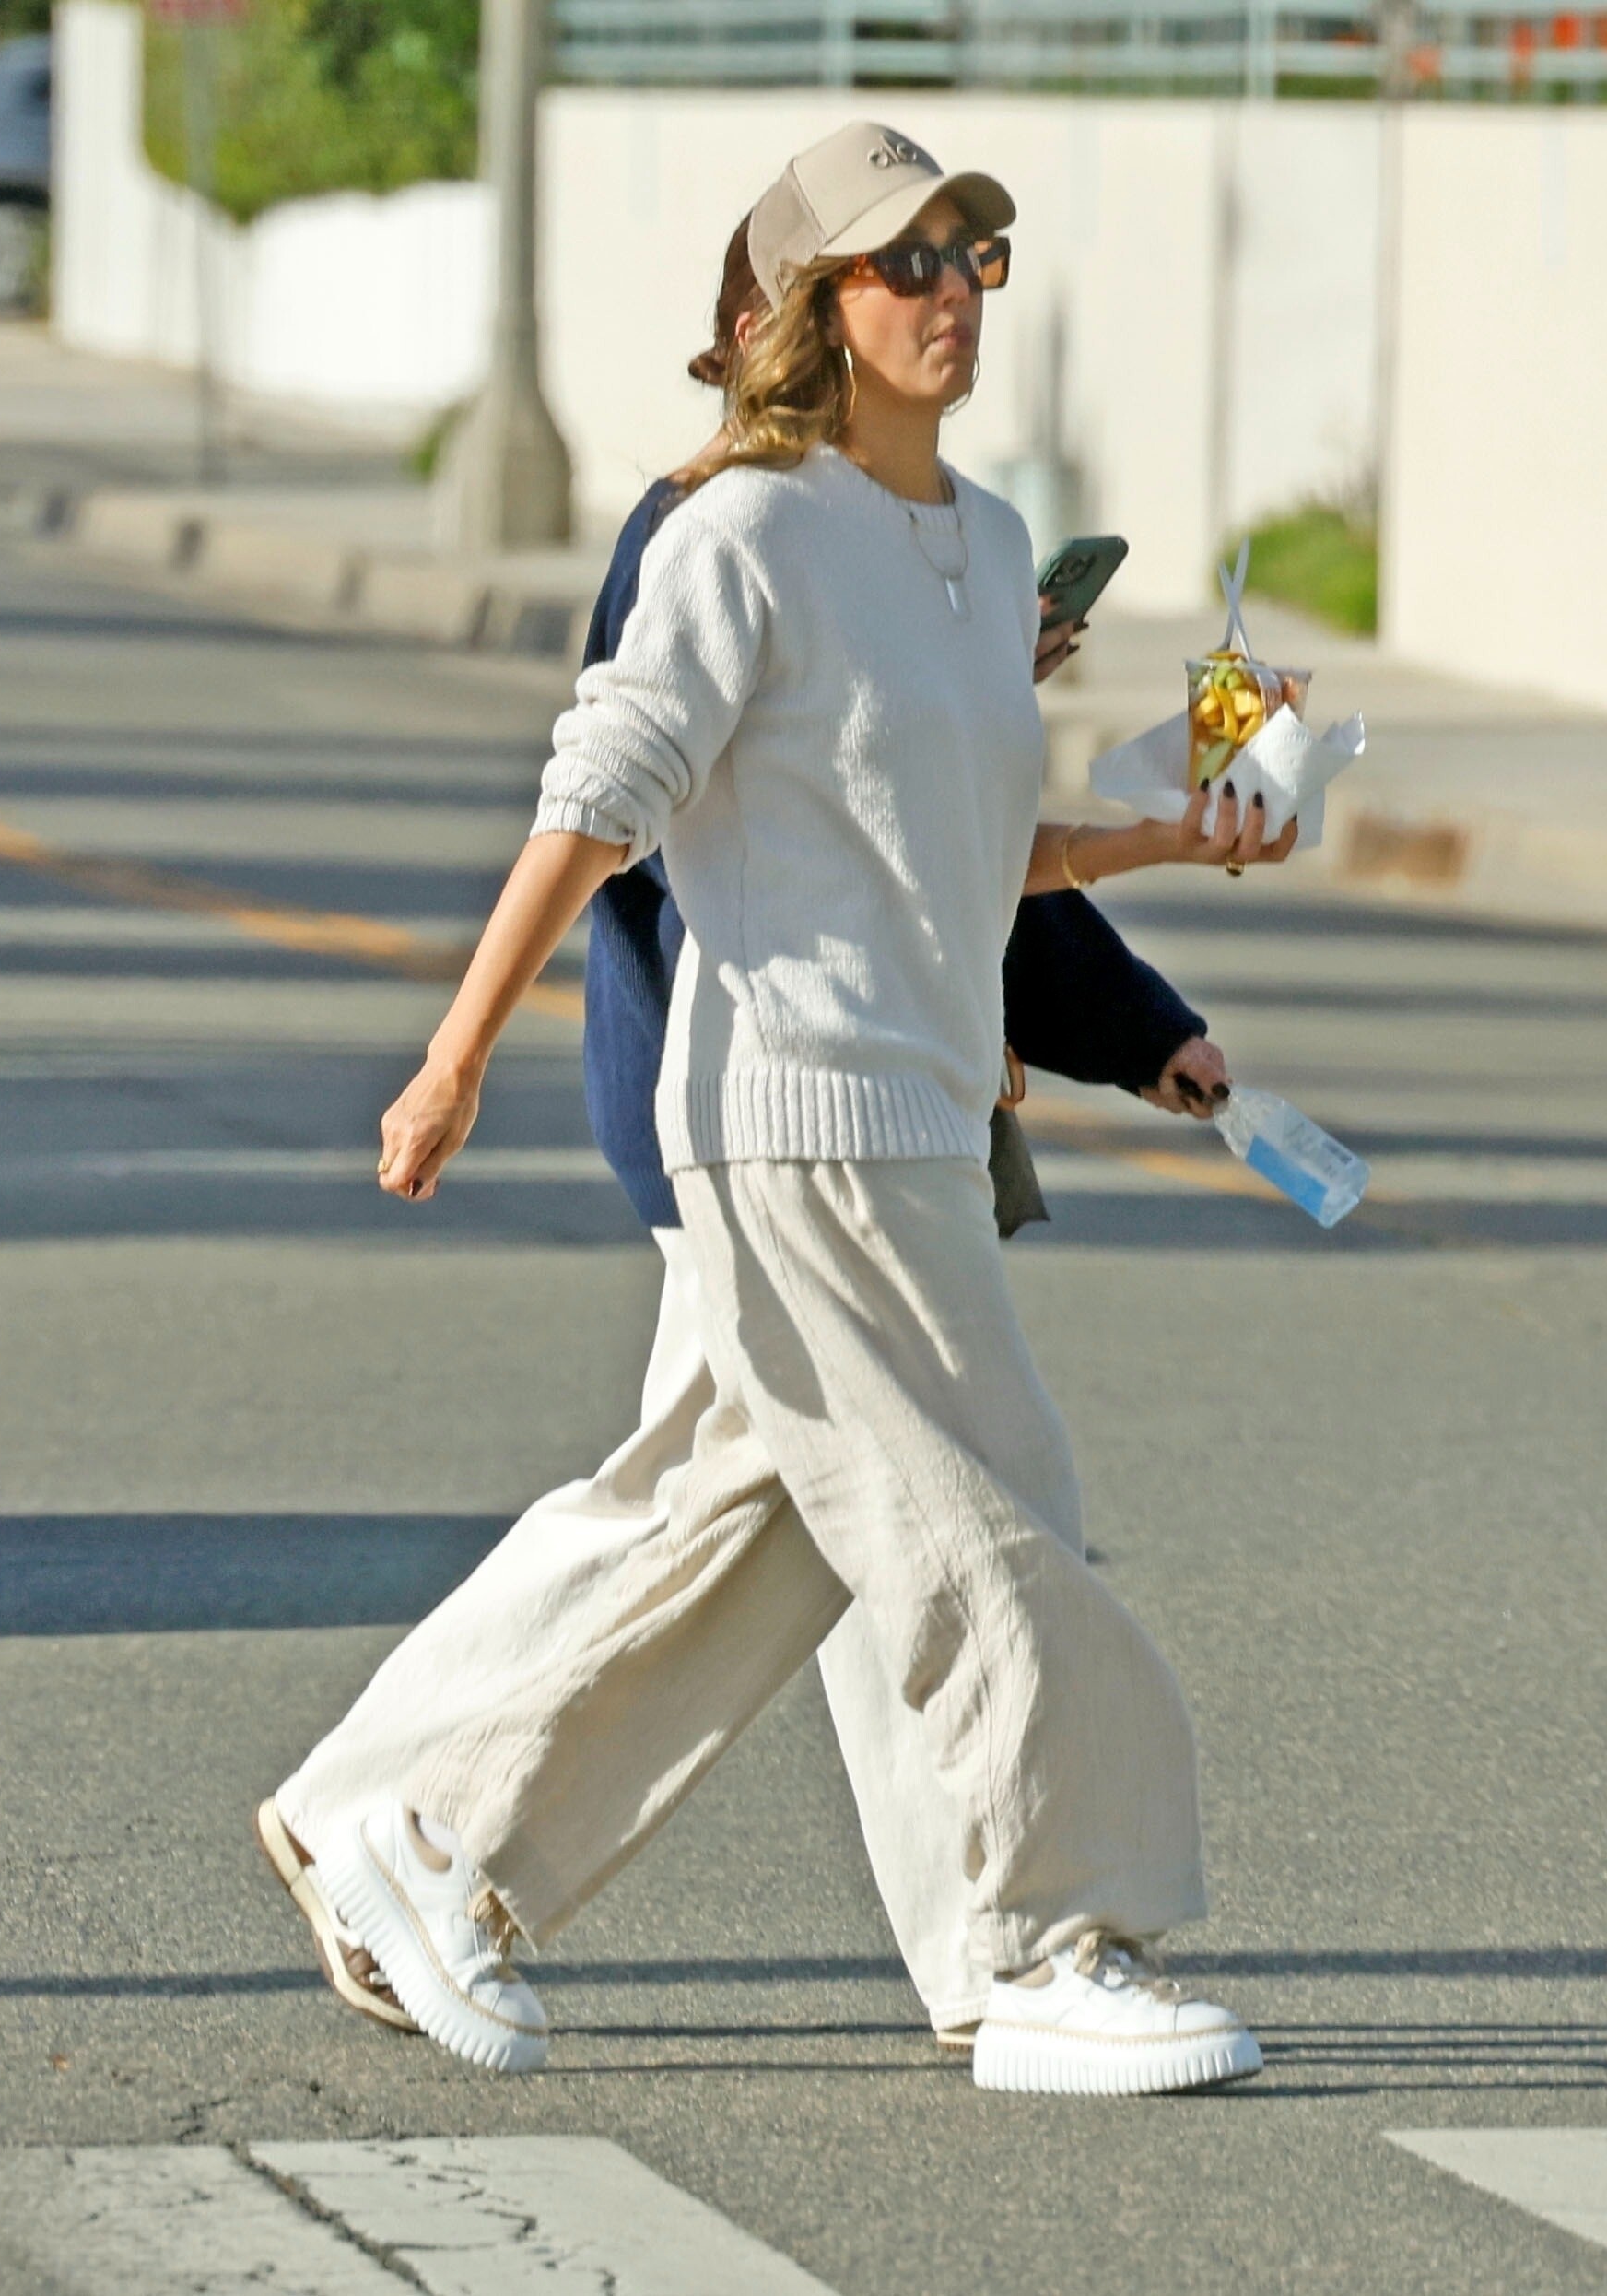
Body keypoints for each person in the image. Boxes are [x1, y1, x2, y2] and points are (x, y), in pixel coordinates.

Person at [269, 121, 1293, 2098]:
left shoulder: (982, 550)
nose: (949, 289)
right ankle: (1043, 1945)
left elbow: (966, 852)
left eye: (972, 254)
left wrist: (1176, 836)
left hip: (921, 1112)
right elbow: (601, 796)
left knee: (738, 1536)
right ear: (815, 308)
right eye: (905, 260)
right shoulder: (739, 532)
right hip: (792, 1119)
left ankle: (415, 1831)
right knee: (990, 1519)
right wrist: (455, 1052)